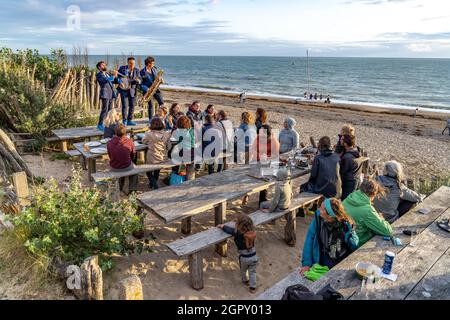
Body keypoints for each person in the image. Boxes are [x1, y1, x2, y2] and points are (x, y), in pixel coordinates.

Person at [300, 198, 357, 274]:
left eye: (322, 208)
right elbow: (310, 238)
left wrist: (351, 233)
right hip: (323, 255)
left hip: (341, 258)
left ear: (330, 216)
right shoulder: (319, 217)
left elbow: (354, 245)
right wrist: (306, 263)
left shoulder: (346, 226)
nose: (318, 209)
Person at [343, 178, 394, 246]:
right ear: (373, 194)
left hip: (343, 238)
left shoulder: (349, 198)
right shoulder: (367, 210)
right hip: (356, 242)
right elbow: (388, 231)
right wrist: (380, 218)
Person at [217, 214, 258, 293]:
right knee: (252, 272)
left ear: (238, 225)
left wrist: (222, 226)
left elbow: (228, 230)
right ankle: (253, 288)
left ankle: (245, 281)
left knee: (243, 270)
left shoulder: (237, 233)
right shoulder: (252, 232)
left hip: (244, 257)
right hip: (254, 256)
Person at [142, 117, 172, 190]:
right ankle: (152, 184)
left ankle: (155, 186)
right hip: (163, 158)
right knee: (156, 169)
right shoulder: (167, 134)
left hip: (153, 159)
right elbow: (169, 147)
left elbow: (144, 141)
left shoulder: (149, 134)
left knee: (147, 171)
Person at [106, 124, 138, 192]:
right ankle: (132, 190)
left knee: (121, 163)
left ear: (115, 132)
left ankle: (120, 187)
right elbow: (133, 155)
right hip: (126, 166)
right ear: (125, 132)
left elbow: (110, 156)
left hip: (114, 166)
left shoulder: (109, 143)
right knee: (135, 172)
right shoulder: (130, 141)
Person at [96, 61, 119, 131]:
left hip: (111, 93)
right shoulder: (99, 75)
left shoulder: (107, 74)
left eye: (105, 65)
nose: (105, 66)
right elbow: (105, 80)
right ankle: (100, 124)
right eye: (103, 65)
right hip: (105, 94)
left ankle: (108, 123)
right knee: (104, 110)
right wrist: (113, 76)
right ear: (99, 67)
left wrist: (116, 77)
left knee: (109, 110)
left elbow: (114, 81)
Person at [117, 57, 141, 126]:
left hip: (133, 90)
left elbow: (139, 78)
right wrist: (119, 81)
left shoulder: (137, 70)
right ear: (127, 63)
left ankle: (129, 120)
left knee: (132, 106)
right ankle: (124, 121)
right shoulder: (122, 68)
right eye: (130, 63)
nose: (132, 64)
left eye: (133, 63)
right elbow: (118, 77)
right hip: (124, 90)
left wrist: (139, 80)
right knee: (125, 106)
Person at [140, 56, 164, 122]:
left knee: (161, 103)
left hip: (155, 89)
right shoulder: (142, 72)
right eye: (152, 63)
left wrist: (159, 79)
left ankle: (162, 117)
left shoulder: (153, 69)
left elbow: (156, 78)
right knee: (150, 105)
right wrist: (146, 89)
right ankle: (150, 120)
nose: (153, 64)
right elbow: (141, 83)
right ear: (148, 63)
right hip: (148, 91)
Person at [340, 134, 362, 200]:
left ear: (345, 144)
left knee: (346, 202)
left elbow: (342, 171)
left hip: (348, 184)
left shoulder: (347, 157)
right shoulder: (357, 152)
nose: (340, 140)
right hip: (357, 181)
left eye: (341, 139)